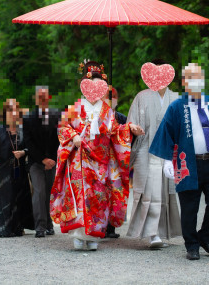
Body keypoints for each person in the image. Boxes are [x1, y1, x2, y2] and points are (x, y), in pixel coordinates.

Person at [50, 61, 144, 250]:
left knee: (99, 195)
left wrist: (129, 128)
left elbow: (116, 131)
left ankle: (95, 235)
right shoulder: (75, 108)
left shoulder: (107, 111)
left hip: (101, 160)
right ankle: (78, 234)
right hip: (80, 158)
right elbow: (63, 127)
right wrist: (74, 135)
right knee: (80, 194)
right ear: (84, 85)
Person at [149, 63, 209, 260]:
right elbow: (166, 134)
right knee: (190, 207)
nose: (196, 81)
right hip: (188, 164)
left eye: (198, 77)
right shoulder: (176, 107)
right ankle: (192, 245)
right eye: (191, 77)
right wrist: (166, 162)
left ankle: (205, 237)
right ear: (185, 82)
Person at [126, 59, 182, 248]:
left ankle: (161, 232)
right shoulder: (141, 97)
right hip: (146, 149)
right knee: (150, 191)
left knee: (165, 191)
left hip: (168, 152)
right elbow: (131, 123)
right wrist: (133, 129)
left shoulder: (175, 98)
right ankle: (152, 234)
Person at [0, 99, 34, 237]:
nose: (13, 114)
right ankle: (5, 229)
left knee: (19, 198)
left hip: (20, 170)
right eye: (10, 111)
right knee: (7, 198)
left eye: (15, 111)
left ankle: (18, 227)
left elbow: (30, 148)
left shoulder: (22, 130)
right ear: (5, 114)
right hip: (5, 170)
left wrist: (23, 152)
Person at [23, 86, 60, 238]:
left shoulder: (56, 115)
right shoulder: (28, 118)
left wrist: (52, 159)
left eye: (45, 97)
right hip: (35, 162)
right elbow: (28, 142)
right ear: (36, 99)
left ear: (49, 98)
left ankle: (50, 224)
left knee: (49, 193)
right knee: (39, 192)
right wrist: (42, 159)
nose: (43, 100)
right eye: (40, 97)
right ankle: (40, 226)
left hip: (52, 161)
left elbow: (59, 139)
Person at [103, 87, 127, 238]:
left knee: (115, 194)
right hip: (100, 159)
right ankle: (101, 226)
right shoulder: (97, 117)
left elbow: (128, 138)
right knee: (101, 193)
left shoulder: (121, 118)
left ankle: (111, 227)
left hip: (116, 162)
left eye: (113, 98)